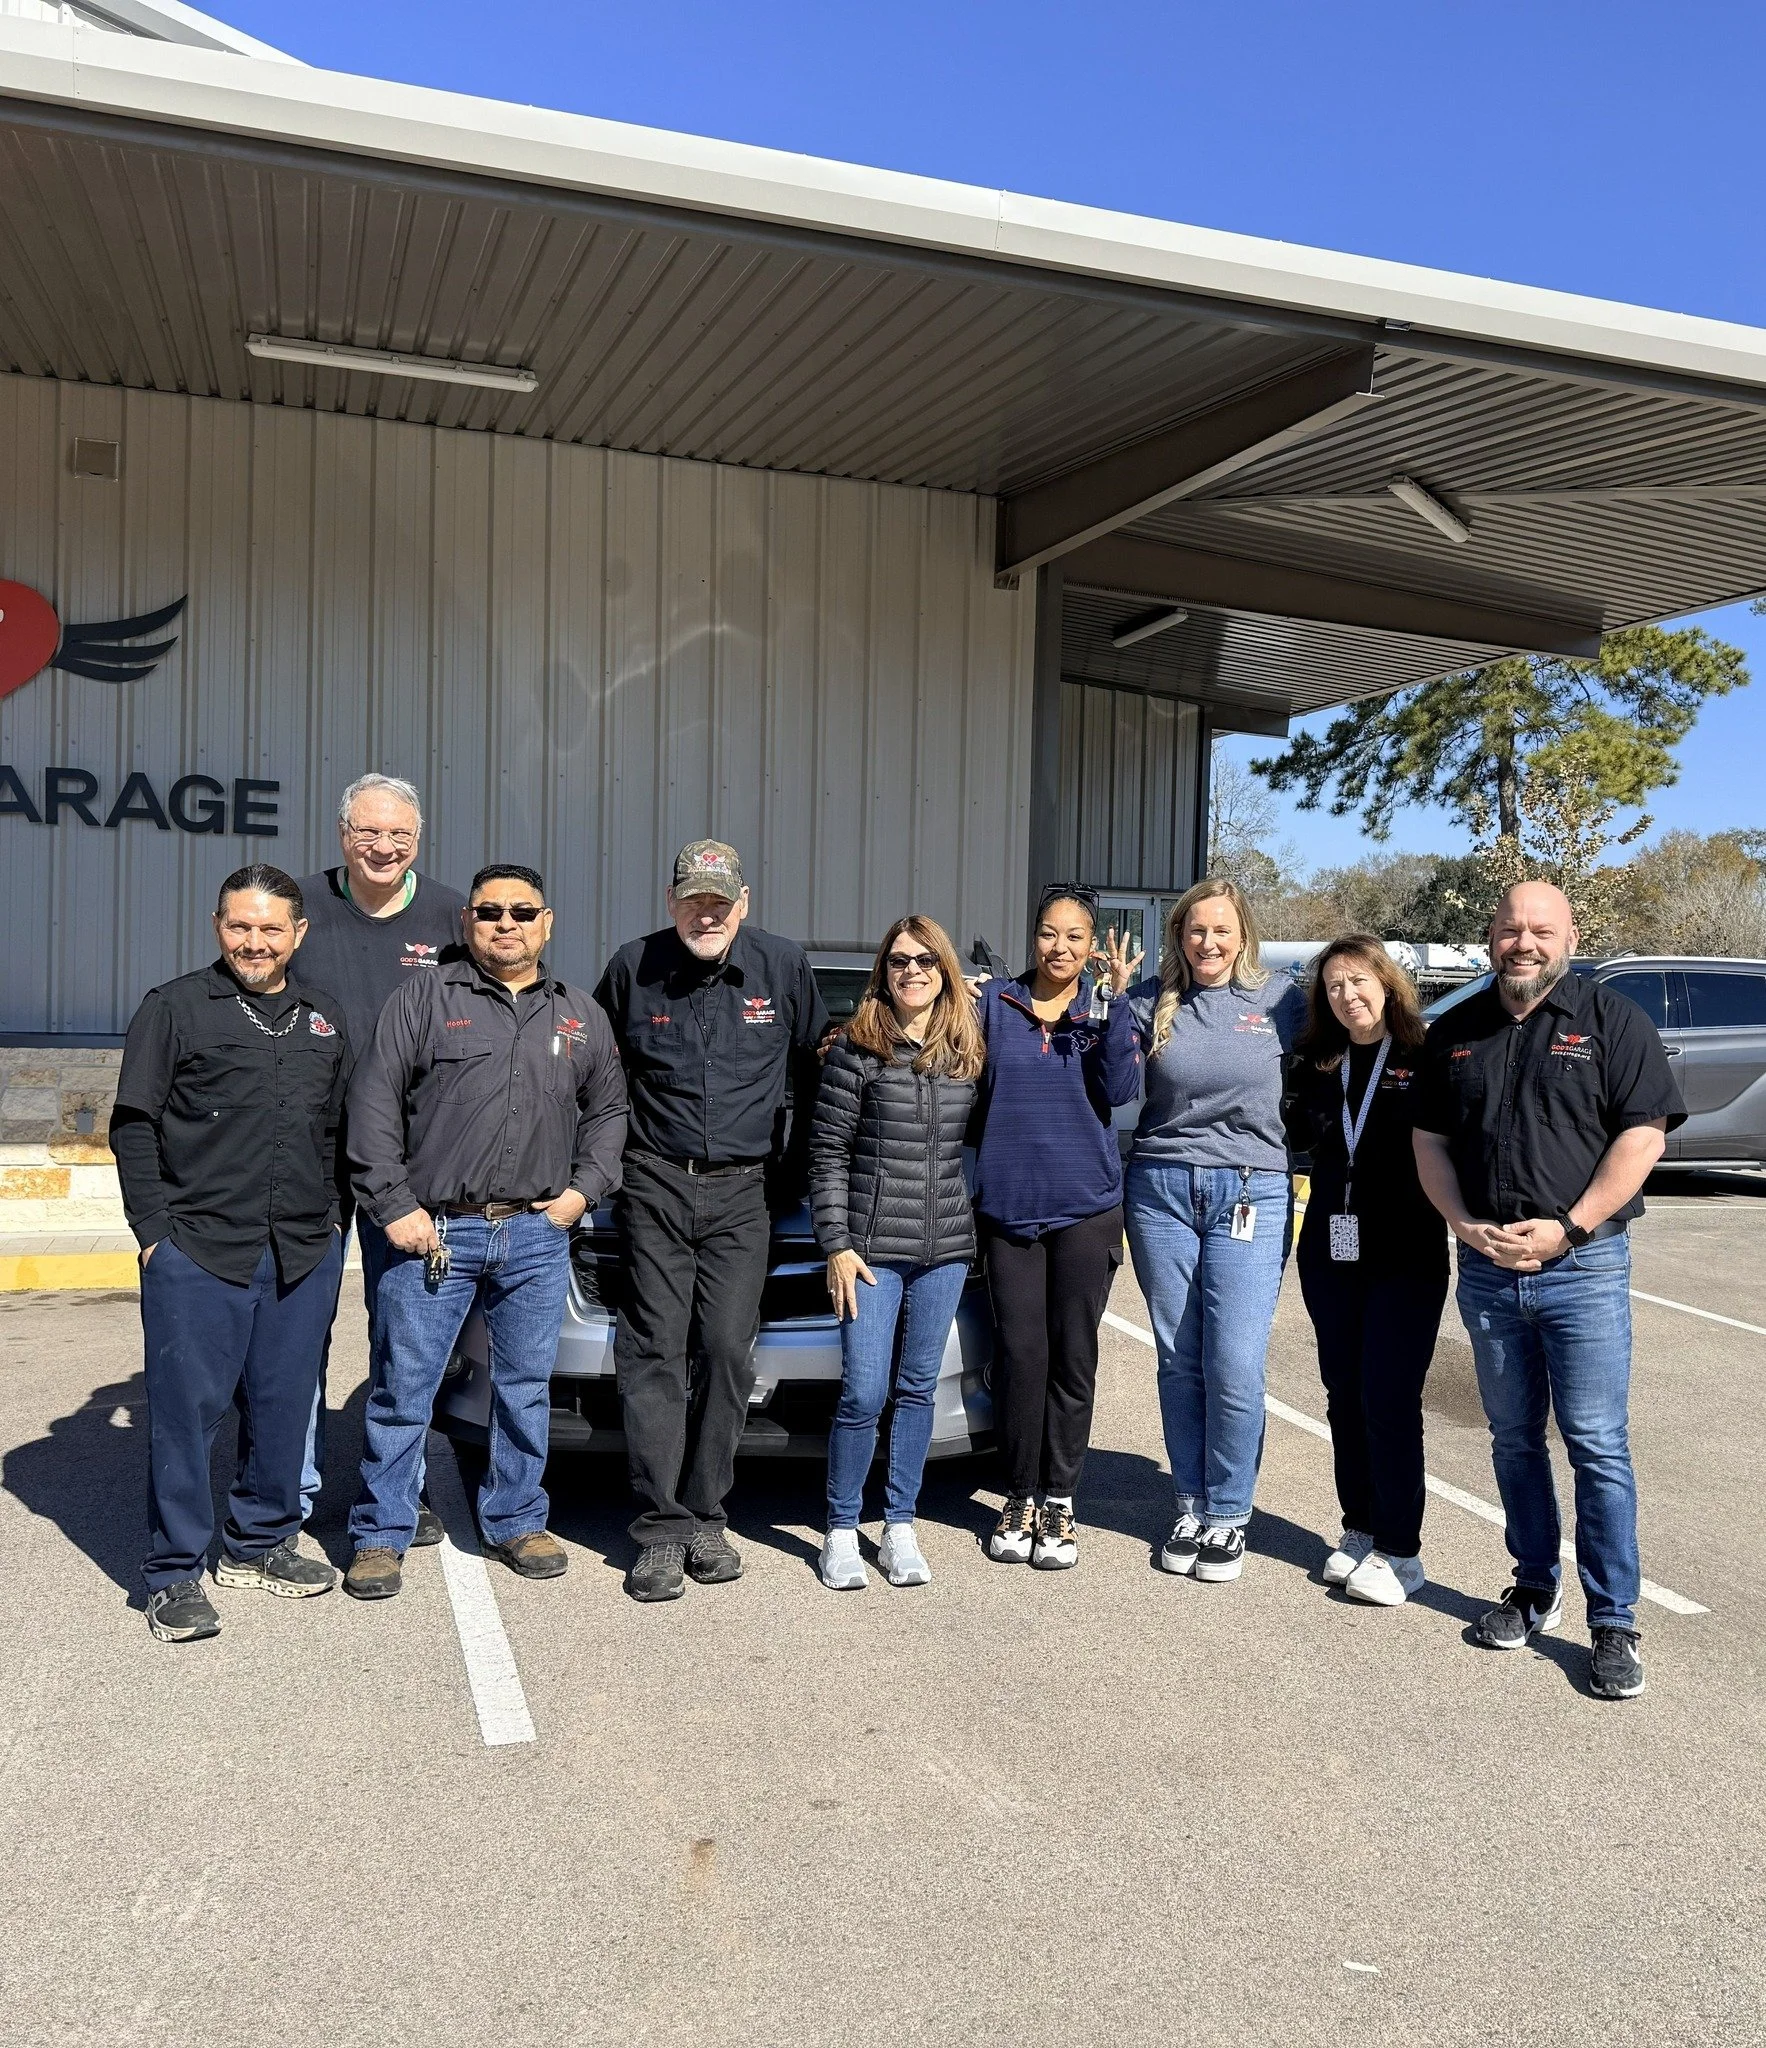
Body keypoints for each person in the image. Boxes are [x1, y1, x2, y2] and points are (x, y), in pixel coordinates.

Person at [1413, 881, 1682, 1700]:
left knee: (1596, 1443)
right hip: (1489, 1271)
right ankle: (1534, 1587)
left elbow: (1643, 1136)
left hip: (1584, 1269)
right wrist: (1461, 1223)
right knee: (1513, 1440)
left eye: (1540, 930)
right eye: (1509, 928)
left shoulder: (1612, 1024)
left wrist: (1569, 1226)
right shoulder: (1456, 1032)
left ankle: (1614, 1621)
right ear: (1488, 935)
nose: (1523, 942)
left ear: (1569, 935)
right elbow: (1430, 1141)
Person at [342, 864, 626, 1598]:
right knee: (405, 1389)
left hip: (535, 1236)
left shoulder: (580, 1015)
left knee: (525, 1387)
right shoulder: (424, 998)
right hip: (435, 1233)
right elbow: (373, 1103)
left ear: (547, 921)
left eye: (522, 911)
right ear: (468, 920)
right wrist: (394, 1204)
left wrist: (579, 1197)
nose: (506, 923)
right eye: (490, 911)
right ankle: (380, 1532)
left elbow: (608, 1114)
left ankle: (516, 1519)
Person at [111, 865, 349, 1643]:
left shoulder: (324, 1018)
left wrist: (335, 1223)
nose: (255, 942)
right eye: (240, 927)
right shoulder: (174, 1009)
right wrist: (155, 1234)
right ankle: (173, 1575)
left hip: (301, 1251)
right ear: (218, 926)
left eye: (271, 928)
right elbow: (134, 1125)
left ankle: (259, 1543)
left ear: (298, 934)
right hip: (200, 1251)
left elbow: (340, 1134)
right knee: (186, 1417)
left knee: (285, 1407)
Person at [594, 840, 831, 1603]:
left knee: (728, 1350)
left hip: (744, 1194)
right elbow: (598, 1079)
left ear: (744, 903)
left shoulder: (783, 967)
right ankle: (662, 1531)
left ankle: (706, 1515)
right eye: (693, 899)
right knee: (655, 1351)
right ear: (671, 902)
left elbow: (816, 1071)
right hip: (656, 1184)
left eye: (720, 901)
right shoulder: (633, 967)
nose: (707, 913)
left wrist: (791, 1172)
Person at [294, 772, 466, 1539]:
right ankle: (286, 1491)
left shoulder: (450, 915)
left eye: (398, 834)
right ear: (341, 835)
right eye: (368, 831)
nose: (383, 846)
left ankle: (398, 1489)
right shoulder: (300, 908)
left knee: (403, 1333)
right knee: (301, 1327)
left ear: (418, 840)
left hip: (410, 1159)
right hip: (311, 1151)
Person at [1122, 878, 1306, 1584]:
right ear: (1179, 936)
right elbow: (1108, 1076)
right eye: (1195, 931)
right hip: (1161, 1189)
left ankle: (1230, 1513)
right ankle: (1192, 1501)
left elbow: (1334, 1066)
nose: (1208, 942)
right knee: (1179, 1356)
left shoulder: (1282, 1000)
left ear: (1243, 935)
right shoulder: (1146, 1001)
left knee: (1233, 1359)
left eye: (1221, 930)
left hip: (1250, 1190)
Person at [809, 916, 986, 1591]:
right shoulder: (856, 1052)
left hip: (943, 1249)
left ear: (944, 972)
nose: (911, 971)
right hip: (872, 1250)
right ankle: (839, 1528)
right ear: (882, 973)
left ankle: (900, 1525)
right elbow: (826, 1156)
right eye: (899, 961)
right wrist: (837, 1245)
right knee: (863, 1392)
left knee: (917, 1391)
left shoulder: (967, 1053)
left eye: (925, 961)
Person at [971, 883, 1143, 1571]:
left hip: (1086, 1210)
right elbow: (963, 1071)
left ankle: (1061, 1502)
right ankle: (1018, 1495)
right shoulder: (995, 1004)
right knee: (1021, 1357)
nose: (1061, 947)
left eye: (1075, 936)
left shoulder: (1101, 1010)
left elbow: (1122, 1090)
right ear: (1033, 935)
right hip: (1009, 1210)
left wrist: (1118, 1003)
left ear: (1092, 943)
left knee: (1073, 1358)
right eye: (1049, 932)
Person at [1286, 935, 1448, 1606]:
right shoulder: (1318, 1061)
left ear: (1387, 983)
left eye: (1357, 981)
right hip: (1330, 1247)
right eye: (1333, 986)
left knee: (1387, 1398)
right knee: (1342, 1394)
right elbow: (1299, 1137)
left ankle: (1401, 1551)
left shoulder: (1423, 1056)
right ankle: (1359, 1527)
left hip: (1405, 1252)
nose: (1346, 995)